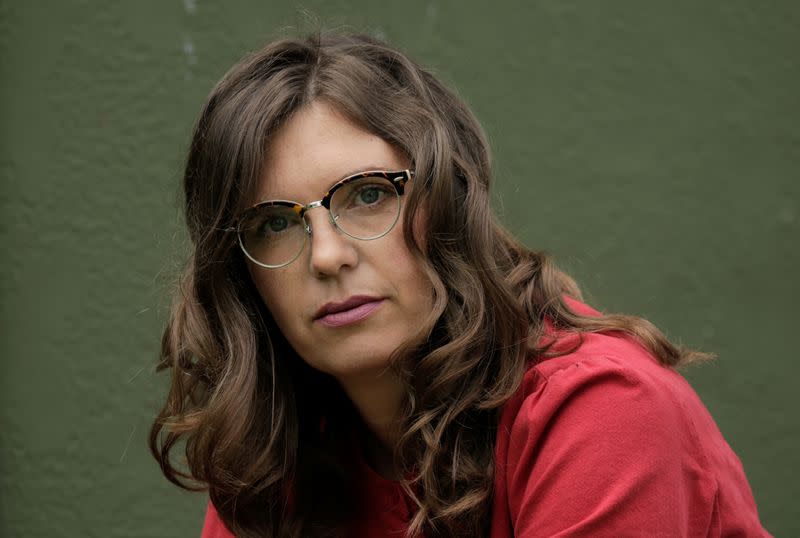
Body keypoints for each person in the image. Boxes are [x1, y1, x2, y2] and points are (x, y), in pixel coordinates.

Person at [149, 32, 770, 538]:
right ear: (242, 275)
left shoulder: (600, 410)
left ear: (449, 202)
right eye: (277, 223)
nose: (328, 257)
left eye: (368, 195)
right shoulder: (280, 455)